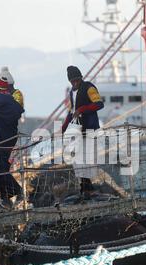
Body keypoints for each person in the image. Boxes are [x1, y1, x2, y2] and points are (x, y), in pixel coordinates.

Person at [61, 65, 104, 200]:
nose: (75, 83)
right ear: (70, 81)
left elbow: (99, 104)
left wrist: (83, 109)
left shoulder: (89, 87)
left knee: (87, 158)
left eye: (77, 80)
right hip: (78, 130)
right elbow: (71, 111)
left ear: (81, 78)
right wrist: (64, 127)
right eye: (73, 81)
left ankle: (88, 188)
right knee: (78, 159)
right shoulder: (71, 93)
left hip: (89, 128)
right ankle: (85, 188)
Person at [0, 67, 24, 208]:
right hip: (6, 139)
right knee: (0, 169)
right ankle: (7, 198)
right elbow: (18, 111)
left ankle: (14, 193)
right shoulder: (13, 101)